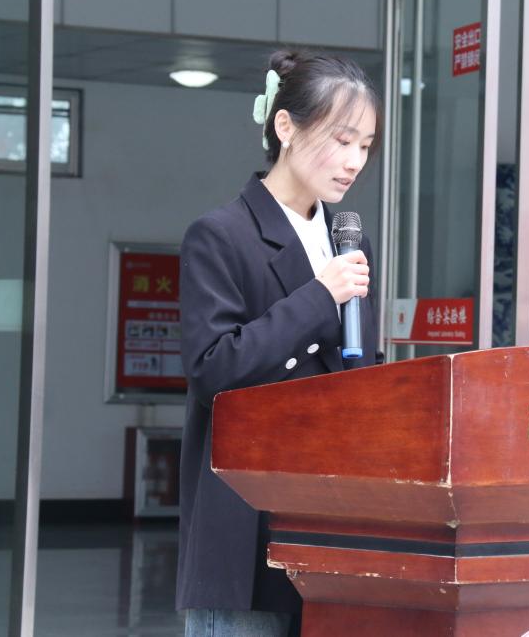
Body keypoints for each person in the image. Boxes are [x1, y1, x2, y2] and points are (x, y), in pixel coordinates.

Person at [177, 50, 383, 637]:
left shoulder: (349, 240)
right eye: (342, 140)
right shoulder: (220, 235)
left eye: (365, 146)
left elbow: (362, 372)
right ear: (285, 127)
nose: (354, 162)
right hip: (248, 525)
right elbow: (212, 369)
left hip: (335, 524)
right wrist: (319, 297)